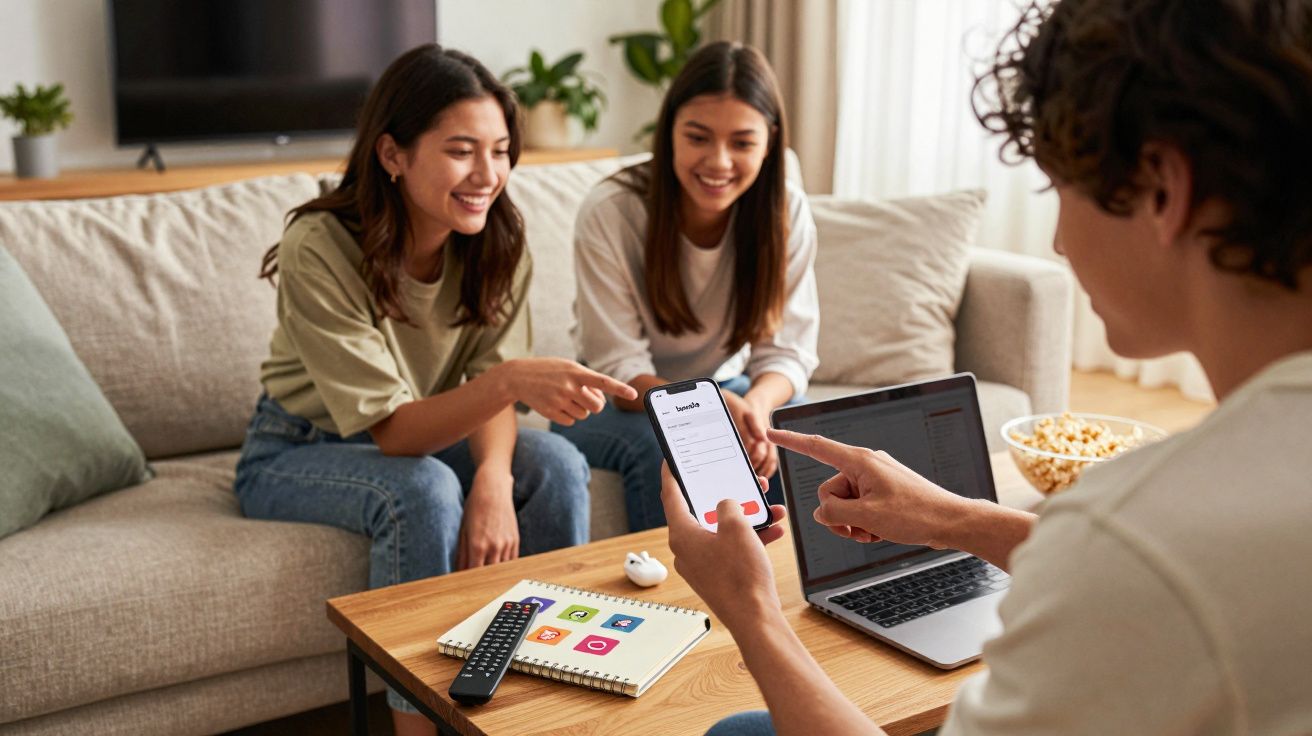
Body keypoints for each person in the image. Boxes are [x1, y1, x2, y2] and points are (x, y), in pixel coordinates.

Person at [665, 1, 1312, 734]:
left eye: (1055, 189)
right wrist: (948, 518)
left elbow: (1140, 568)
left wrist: (752, 612)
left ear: (1163, 189)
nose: (1061, 243)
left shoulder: (1141, 535)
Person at [233, 44, 635, 735]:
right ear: (393, 154)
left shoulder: (497, 242)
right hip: (298, 448)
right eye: (461, 151)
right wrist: (506, 384)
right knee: (421, 487)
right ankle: (418, 726)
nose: (488, 175)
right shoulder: (320, 244)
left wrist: (493, 479)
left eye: (502, 151)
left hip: (438, 433)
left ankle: (548, 707)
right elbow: (398, 434)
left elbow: (489, 402)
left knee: (560, 466)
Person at [553, 41, 820, 532]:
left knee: (798, 429)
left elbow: (787, 353)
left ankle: (791, 594)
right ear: (669, 131)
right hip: (611, 403)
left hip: (722, 386)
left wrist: (755, 412)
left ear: (770, 140)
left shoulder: (786, 210)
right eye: (698, 137)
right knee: (675, 443)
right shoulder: (612, 211)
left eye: (742, 143)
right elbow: (621, 373)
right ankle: (676, 597)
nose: (718, 162)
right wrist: (713, 410)